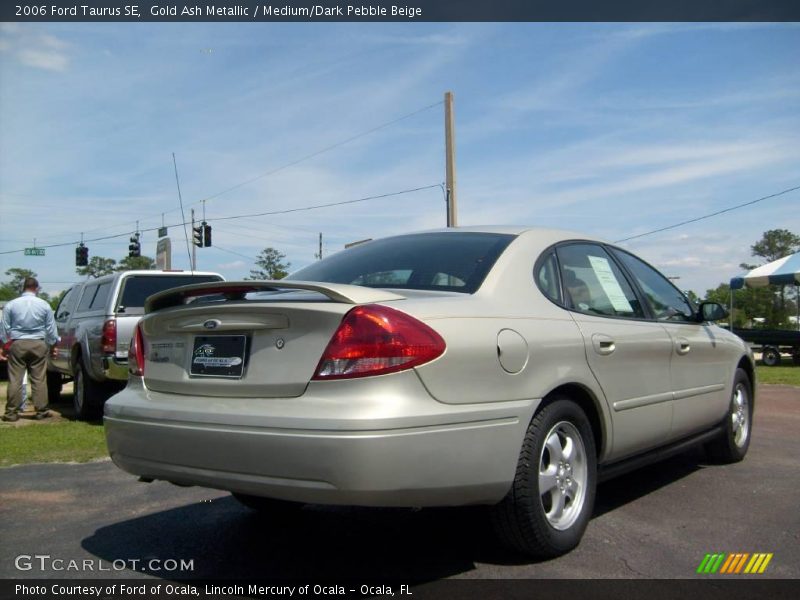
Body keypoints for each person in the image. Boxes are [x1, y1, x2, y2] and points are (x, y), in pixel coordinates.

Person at [0, 277, 59, 422]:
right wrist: (53, 346)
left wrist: (3, 346)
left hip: (18, 343)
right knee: (39, 379)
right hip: (38, 343)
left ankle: (11, 412)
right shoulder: (44, 305)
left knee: (15, 379)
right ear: (36, 288)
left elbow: (4, 329)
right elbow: (51, 329)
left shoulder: (11, 305)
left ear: (23, 287)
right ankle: (41, 411)